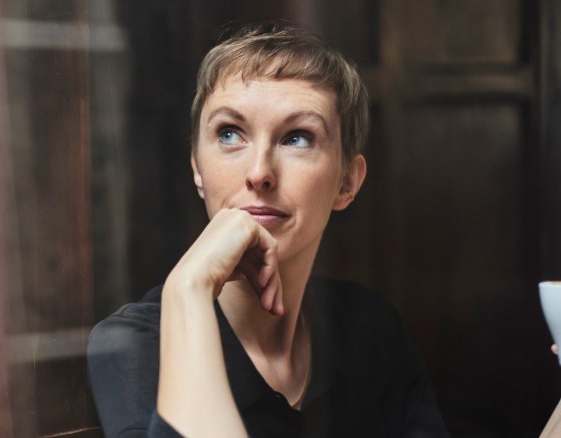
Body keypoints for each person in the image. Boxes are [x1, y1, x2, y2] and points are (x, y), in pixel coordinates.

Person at [87, 22, 450, 437]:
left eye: (297, 138)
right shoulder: (134, 345)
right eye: (229, 134)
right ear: (196, 168)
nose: (259, 173)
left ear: (347, 181)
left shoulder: (369, 329)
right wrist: (189, 289)